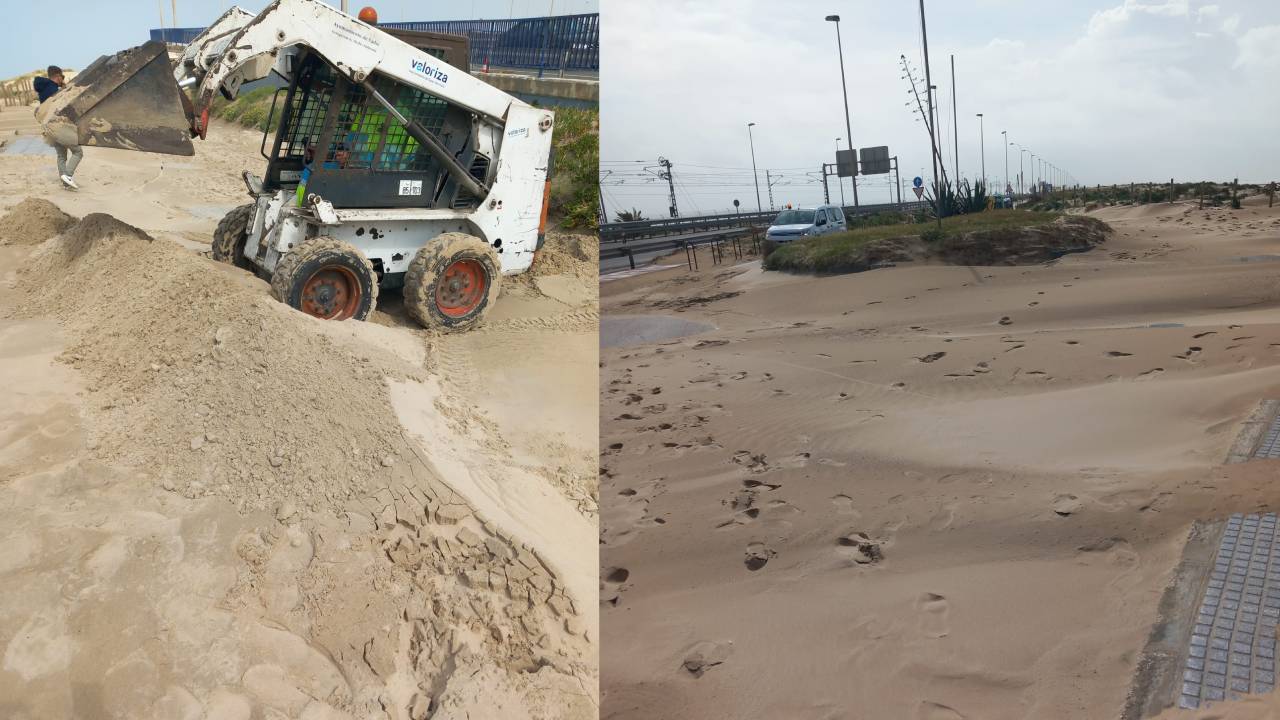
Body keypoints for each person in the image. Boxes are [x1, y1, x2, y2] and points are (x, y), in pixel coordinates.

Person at [34, 66, 83, 190]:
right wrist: (64, 89)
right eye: (62, 77)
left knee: (61, 155)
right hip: (58, 126)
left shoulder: (43, 89)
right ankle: (68, 176)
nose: (63, 79)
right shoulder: (54, 90)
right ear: (57, 76)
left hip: (47, 127)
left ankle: (65, 182)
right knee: (78, 152)